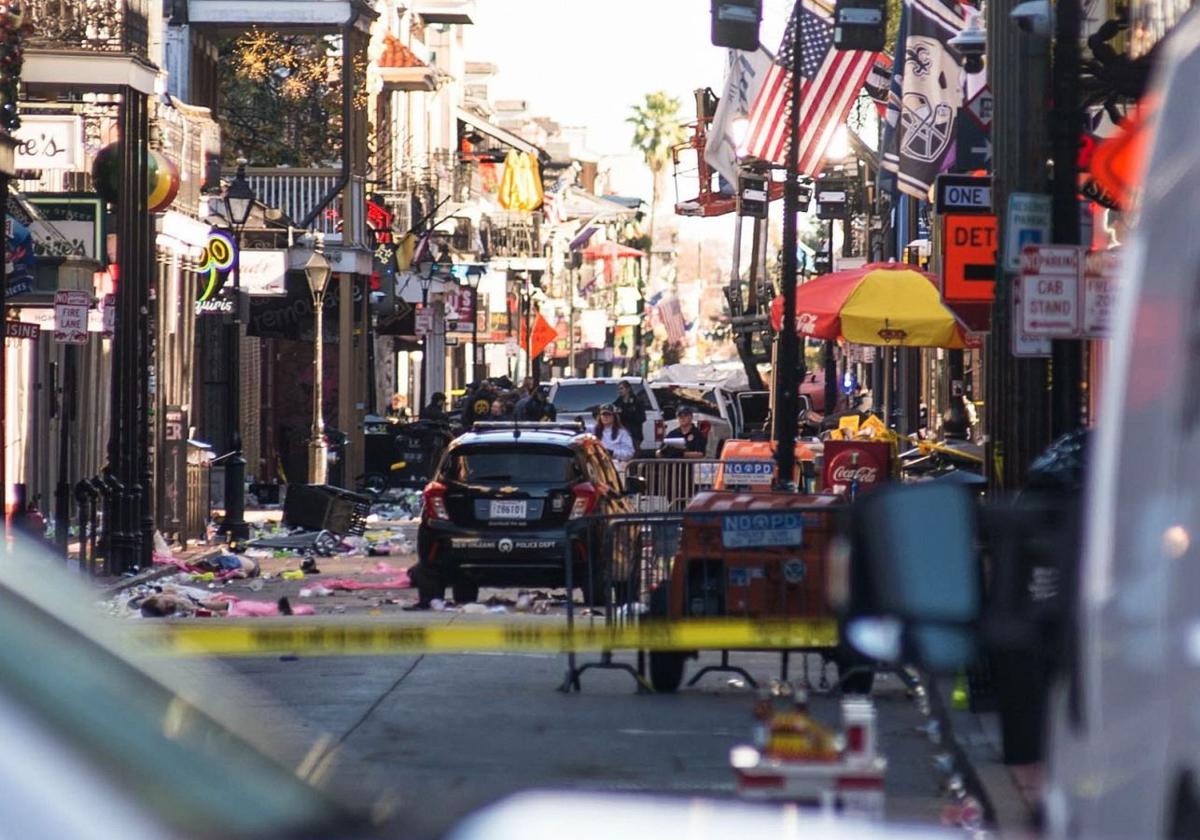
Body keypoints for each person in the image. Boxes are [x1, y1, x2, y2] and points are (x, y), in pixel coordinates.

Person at [614, 380, 646, 450]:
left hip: (634, 434)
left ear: (628, 389)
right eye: (618, 389)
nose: (619, 391)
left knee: (633, 454)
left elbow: (642, 418)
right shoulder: (618, 403)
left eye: (621, 388)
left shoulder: (637, 402)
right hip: (621, 434)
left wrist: (629, 413)